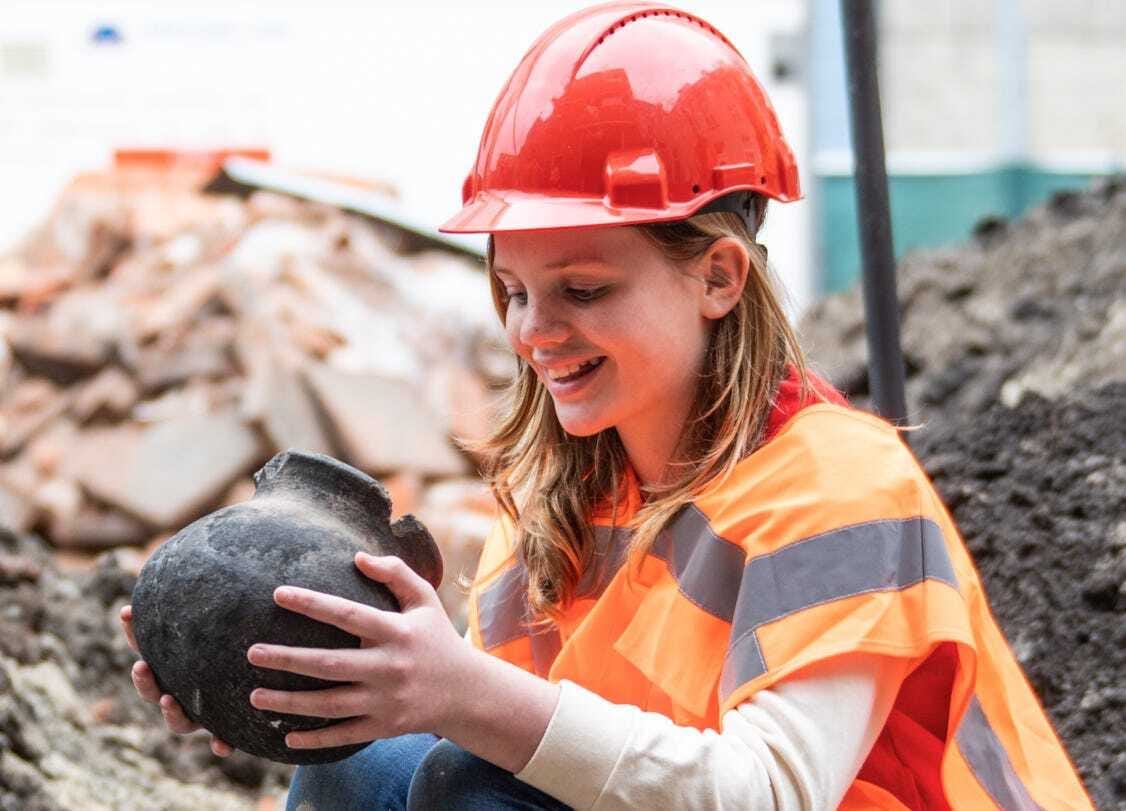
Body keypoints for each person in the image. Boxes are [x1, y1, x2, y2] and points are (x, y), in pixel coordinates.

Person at [121, 3, 1092, 809]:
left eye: (582, 289)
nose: (534, 330)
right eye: (513, 291)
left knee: (469, 786)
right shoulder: (565, 495)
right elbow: (542, 746)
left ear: (717, 277)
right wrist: (316, 695)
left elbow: (767, 792)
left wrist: (459, 691)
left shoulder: (839, 484)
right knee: (360, 770)